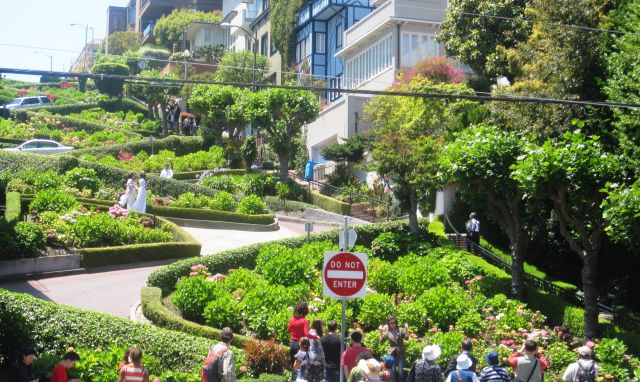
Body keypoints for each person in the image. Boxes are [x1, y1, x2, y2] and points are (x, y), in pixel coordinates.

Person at [288, 302, 317, 378]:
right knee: (302, 368)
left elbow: (289, 330)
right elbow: (307, 334)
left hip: (293, 344)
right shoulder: (305, 321)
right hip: (301, 346)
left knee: (294, 367)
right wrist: (316, 337)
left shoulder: (291, 320)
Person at [380, 316, 409, 382]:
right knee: (392, 371)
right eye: (391, 323)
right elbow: (381, 341)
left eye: (394, 322)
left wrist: (407, 329)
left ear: (396, 323)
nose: (393, 324)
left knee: (400, 371)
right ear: (388, 324)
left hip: (400, 352)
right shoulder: (387, 332)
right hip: (391, 353)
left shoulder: (401, 330)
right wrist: (381, 332)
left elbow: (407, 338)